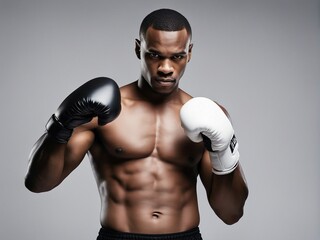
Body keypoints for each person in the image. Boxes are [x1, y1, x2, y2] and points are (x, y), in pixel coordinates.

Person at [25, 8, 248, 240]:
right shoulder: (100, 113)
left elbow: (230, 213)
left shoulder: (209, 116)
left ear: (189, 53)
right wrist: (60, 124)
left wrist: (224, 151)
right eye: (154, 55)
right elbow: (38, 183)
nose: (165, 68)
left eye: (177, 56)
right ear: (137, 49)